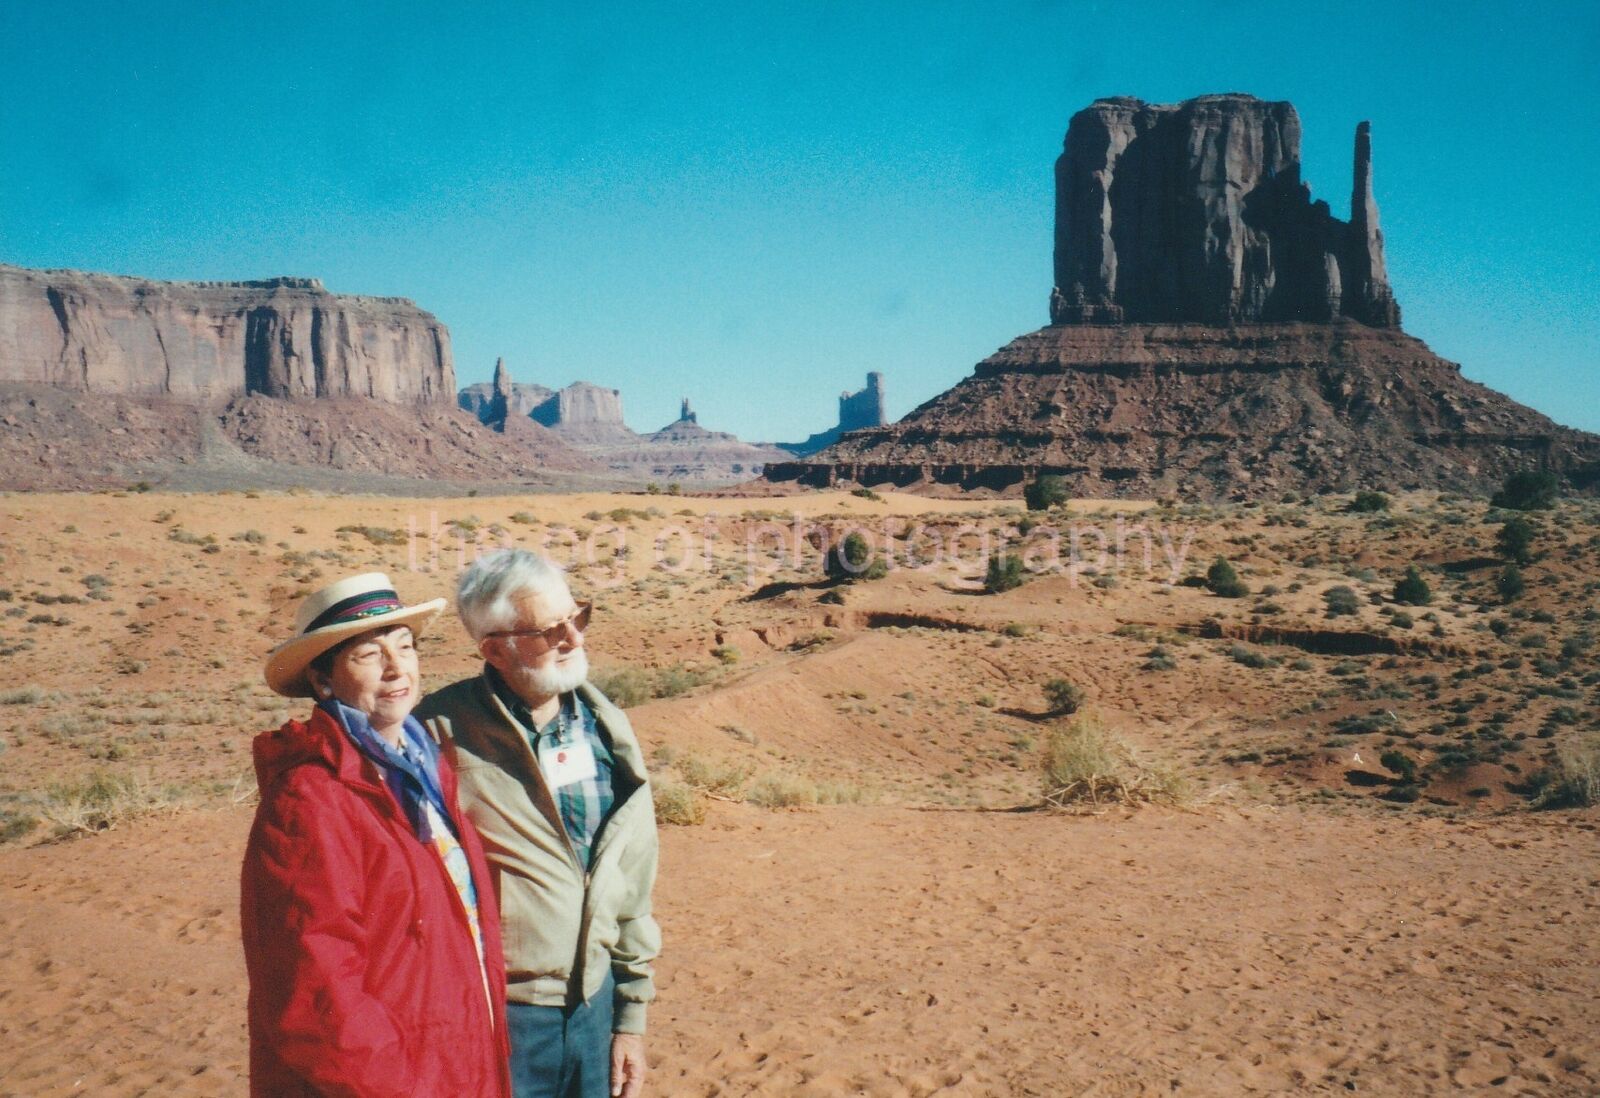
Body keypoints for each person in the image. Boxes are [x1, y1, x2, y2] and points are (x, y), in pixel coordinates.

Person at [243, 572, 512, 1098]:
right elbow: (317, 995)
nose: (397, 668)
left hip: (453, 1063)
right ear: (323, 681)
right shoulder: (312, 799)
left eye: (406, 647)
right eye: (369, 655)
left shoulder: (425, 775)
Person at [416, 550, 659, 1098]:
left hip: (594, 1010)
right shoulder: (438, 734)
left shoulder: (607, 729)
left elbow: (633, 882)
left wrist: (630, 1018)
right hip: (499, 1018)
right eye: (551, 630)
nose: (574, 637)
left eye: (578, 617)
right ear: (494, 649)